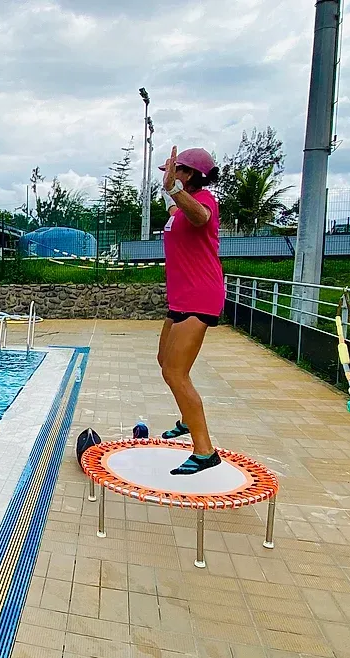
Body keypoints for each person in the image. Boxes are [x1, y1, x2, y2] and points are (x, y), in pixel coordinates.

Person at [155, 146, 225, 476]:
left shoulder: (205, 201)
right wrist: (171, 190)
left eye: (178, 170)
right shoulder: (179, 212)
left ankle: (205, 451)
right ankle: (186, 419)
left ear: (192, 175)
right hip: (181, 299)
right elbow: (177, 211)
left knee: (175, 373)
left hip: (200, 297)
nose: (171, 177)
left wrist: (175, 189)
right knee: (164, 361)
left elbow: (201, 216)